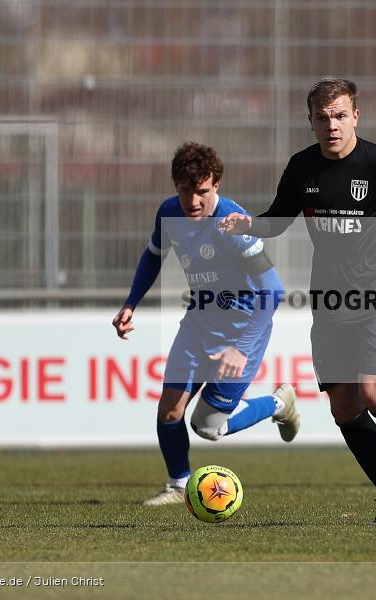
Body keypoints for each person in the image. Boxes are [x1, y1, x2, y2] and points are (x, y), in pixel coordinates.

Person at [218, 78, 376, 525]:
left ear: (355, 117)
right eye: (323, 117)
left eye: (341, 115)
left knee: (375, 392)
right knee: (344, 407)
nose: (333, 125)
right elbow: (277, 222)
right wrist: (246, 225)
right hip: (330, 302)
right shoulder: (301, 168)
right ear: (311, 122)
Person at [113, 142, 300, 506]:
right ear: (175, 185)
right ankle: (179, 485)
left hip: (243, 328)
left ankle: (279, 403)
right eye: (186, 190)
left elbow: (273, 291)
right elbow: (153, 257)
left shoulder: (231, 223)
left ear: (216, 185)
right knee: (169, 410)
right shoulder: (169, 212)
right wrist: (130, 304)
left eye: (202, 191)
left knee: (208, 426)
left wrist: (241, 348)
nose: (193, 200)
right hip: (199, 320)